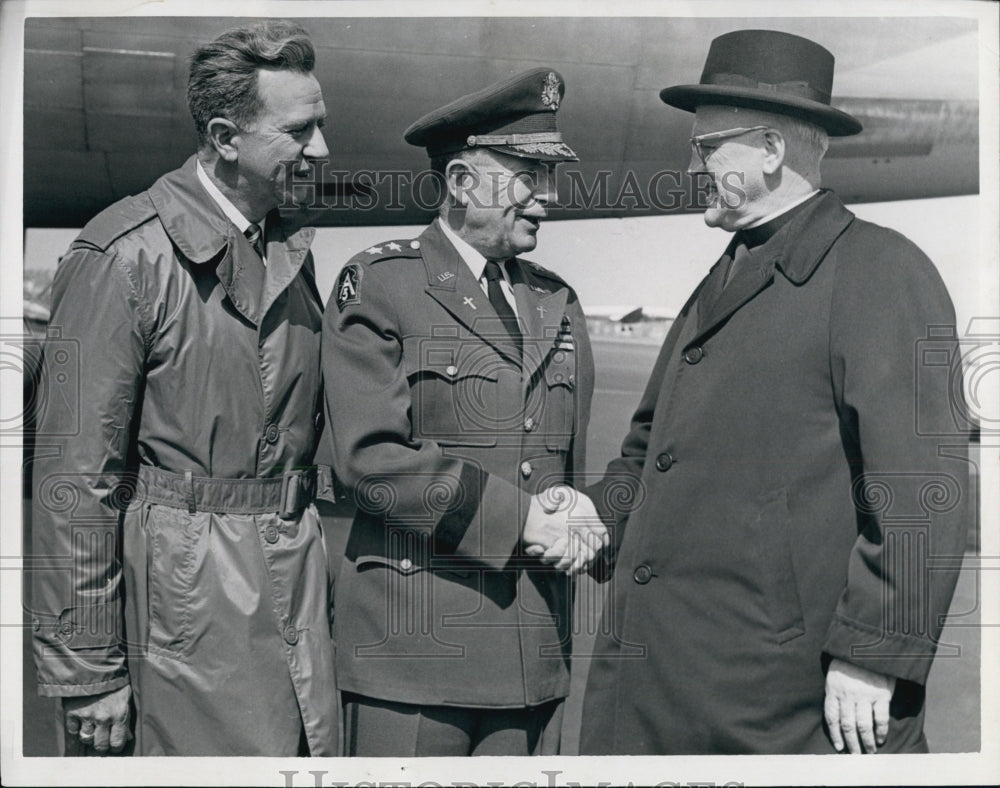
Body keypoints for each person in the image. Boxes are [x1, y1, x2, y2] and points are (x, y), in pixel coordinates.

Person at [578, 29, 969, 755]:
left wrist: (874, 653)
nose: (689, 165)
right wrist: (599, 510)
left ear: (769, 150)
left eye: (705, 148)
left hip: (778, 708)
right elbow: (650, 449)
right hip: (677, 685)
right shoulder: (722, 277)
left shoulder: (879, 271)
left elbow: (924, 484)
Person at [29, 20, 338, 756]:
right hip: (178, 611)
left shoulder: (290, 250)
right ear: (227, 138)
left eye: (322, 125)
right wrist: (88, 670)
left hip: (289, 591)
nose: (321, 149)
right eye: (299, 131)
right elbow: (74, 477)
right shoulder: (121, 256)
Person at [322, 67, 605, 756]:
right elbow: (371, 459)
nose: (549, 197)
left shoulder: (556, 301)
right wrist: (523, 519)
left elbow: (562, 460)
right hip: (415, 660)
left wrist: (579, 506)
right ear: (459, 183)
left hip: (533, 655)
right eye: (528, 175)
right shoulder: (382, 285)